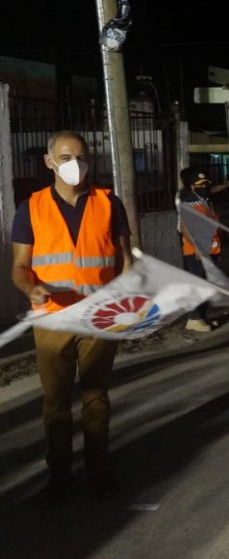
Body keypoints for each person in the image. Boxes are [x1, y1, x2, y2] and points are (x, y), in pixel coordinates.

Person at [10, 130, 133, 503]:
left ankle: (98, 471)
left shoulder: (109, 203)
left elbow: (125, 260)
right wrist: (30, 288)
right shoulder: (30, 208)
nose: (75, 165)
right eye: (65, 158)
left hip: (98, 316)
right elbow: (19, 266)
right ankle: (59, 475)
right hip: (53, 318)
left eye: (81, 157)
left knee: (96, 397)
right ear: (49, 162)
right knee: (56, 403)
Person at [176, 167, 229, 332]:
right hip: (197, 253)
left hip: (210, 251)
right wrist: (198, 247)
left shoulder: (205, 201)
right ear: (192, 186)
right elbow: (184, 227)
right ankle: (194, 319)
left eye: (205, 184)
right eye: (200, 184)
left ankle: (201, 317)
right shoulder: (189, 203)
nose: (204, 187)